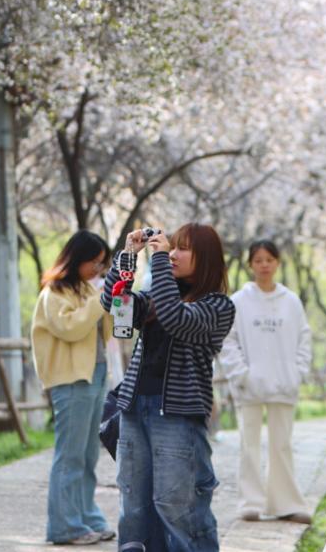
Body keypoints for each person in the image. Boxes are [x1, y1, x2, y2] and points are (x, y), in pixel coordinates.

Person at [100, 224, 236, 552]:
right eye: (171, 247)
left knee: (176, 506)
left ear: (206, 258)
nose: (173, 254)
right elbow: (115, 305)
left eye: (182, 248)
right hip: (134, 410)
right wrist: (128, 257)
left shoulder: (218, 306)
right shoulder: (156, 298)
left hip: (177, 416)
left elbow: (176, 318)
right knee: (133, 506)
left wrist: (158, 260)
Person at [31, 230, 116, 546]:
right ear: (77, 259)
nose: (98, 268)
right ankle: (65, 526)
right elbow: (71, 328)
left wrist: (112, 301)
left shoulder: (87, 289)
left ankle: (87, 517)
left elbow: (104, 330)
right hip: (70, 379)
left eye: (102, 263)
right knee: (70, 455)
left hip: (95, 373)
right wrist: (101, 299)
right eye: (94, 262)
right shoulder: (54, 293)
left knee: (89, 454)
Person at [218, 240, 312, 522]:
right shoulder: (239, 300)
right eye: (258, 260)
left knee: (281, 445)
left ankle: (285, 503)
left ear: (277, 263)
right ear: (250, 265)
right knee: (249, 444)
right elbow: (228, 340)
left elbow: (304, 338)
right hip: (249, 386)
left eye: (269, 260)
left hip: (284, 384)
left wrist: (297, 372)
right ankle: (251, 502)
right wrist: (241, 374)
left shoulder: (291, 301)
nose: (264, 265)